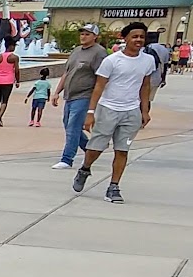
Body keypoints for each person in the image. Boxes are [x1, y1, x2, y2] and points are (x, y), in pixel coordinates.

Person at [75, 21, 157, 204]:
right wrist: (90, 112)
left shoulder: (148, 60)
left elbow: (145, 86)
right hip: (108, 109)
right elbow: (99, 87)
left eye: (142, 37)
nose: (138, 40)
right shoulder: (112, 61)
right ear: (125, 38)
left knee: (122, 150)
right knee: (96, 148)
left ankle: (114, 187)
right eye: (134, 36)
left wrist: (144, 111)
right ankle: (85, 168)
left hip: (131, 112)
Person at [53, 22, 106, 168]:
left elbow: (101, 77)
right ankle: (90, 150)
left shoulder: (99, 53)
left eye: (87, 34)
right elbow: (67, 73)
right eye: (82, 34)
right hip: (70, 95)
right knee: (68, 125)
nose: (83, 37)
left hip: (84, 95)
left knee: (73, 127)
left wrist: (96, 99)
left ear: (95, 36)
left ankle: (67, 159)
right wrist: (57, 92)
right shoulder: (76, 51)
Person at [0, 44, 18, 125]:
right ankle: (0, 117)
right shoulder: (14, 57)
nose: (14, 48)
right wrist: (18, 81)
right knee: (4, 100)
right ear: (10, 46)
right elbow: (17, 70)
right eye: (14, 46)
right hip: (8, 81)